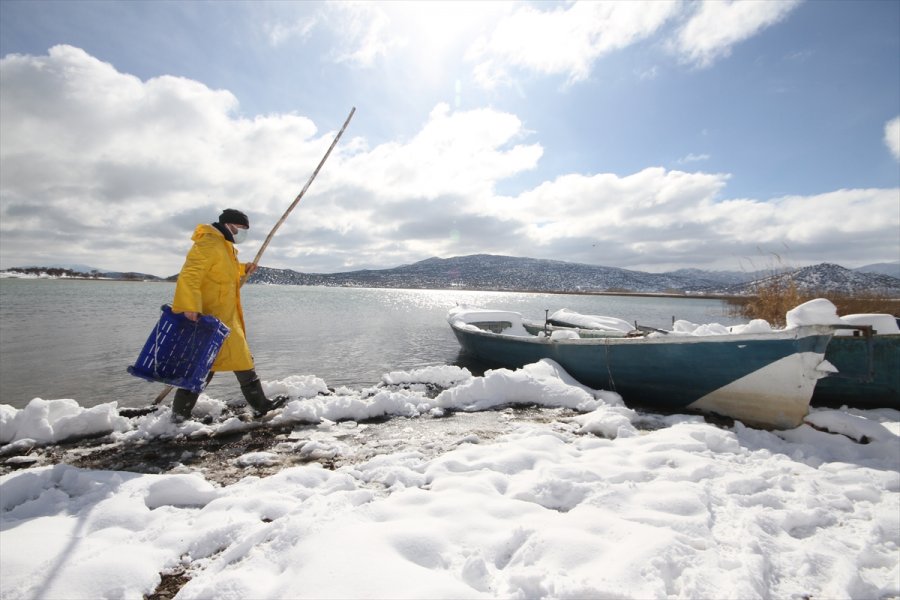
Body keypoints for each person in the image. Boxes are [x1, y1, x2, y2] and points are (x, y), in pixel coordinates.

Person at [169, 208, 286, 421]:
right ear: (229, 225)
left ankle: (261, 405)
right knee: (202, 366)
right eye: (241, 228)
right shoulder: (209, 243)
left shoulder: (225, 247)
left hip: (226, 317)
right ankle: (179, 415)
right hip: (209, 318)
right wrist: (190, 306)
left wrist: (243, 269)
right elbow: (190, 275)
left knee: (242, 359)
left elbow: (221, 272)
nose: (243, 233)